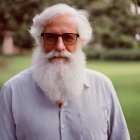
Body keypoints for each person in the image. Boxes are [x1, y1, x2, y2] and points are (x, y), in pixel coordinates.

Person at [0, 3, 130, 140]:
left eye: (69, 37)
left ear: (81, 42)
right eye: (51, 37)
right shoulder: (12, 91)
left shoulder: (103, 86)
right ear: (40, 41)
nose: (60, 46)